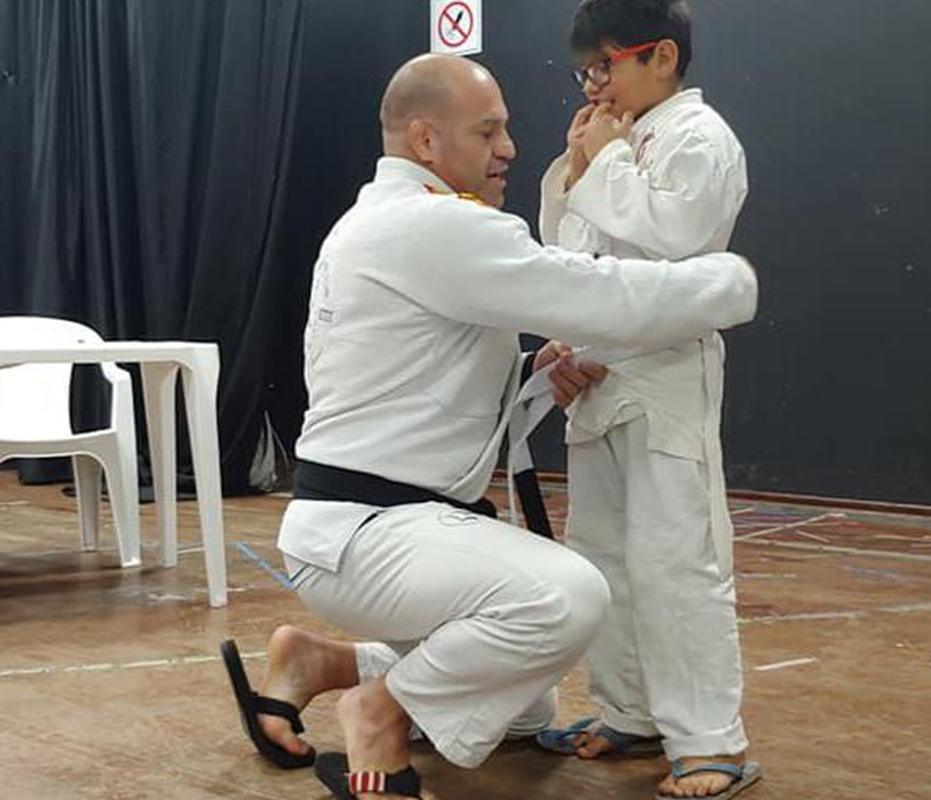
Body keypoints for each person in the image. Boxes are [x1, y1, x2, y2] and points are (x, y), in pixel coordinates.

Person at [220, 53, 759, 800]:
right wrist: (728, 283)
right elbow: (599, 294)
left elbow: (423, 383)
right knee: (568, 599)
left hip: (360, 528)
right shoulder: (439, 227)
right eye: (489, 130)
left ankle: (319, 662)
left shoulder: (379, 220)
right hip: (373, 534)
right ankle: (378, 711)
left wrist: (536, 372)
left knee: (519, 701)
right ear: (425, 142)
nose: (509, 146)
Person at [535, 1, 758, 798]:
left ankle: (710, 740)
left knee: (676, 561)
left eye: (607, 66)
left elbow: (673, 243)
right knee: (602, 558)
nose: (596, 87)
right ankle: (628, 711)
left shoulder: (702, 138)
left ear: (661, 56)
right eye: (587, 73)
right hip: (596, 384)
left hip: (664, 380)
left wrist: (605, 167)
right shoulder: (605, 140)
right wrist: (565, 341)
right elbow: (569, 256)